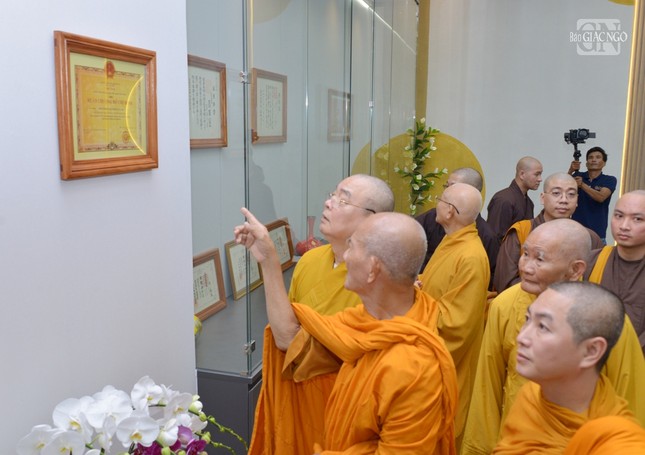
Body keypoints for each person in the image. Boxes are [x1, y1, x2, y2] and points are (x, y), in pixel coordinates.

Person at [235, 209, 459, 454]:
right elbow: (292, 341)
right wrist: (268, 259)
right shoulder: (362, 323)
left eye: (352, 246)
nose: (345, 255)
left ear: (373, 268)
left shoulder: (416, 369)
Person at [461, 219, 645, 455]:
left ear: (576, 270)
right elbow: (488, 386)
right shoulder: (504, 304)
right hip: (518, 440)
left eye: (539, 259)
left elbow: (629, 398)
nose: (526, 267)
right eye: (525, 254)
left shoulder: (603, 317)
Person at [247, 174, 395, 455]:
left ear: (372, 219)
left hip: (345, 410)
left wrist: (268, 259)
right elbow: (288, 331)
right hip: (299, 397)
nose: (329, 203)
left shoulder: (377, 281)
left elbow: (292, 341)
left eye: (343, 200)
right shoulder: (311, 260)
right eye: (332, 195)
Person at [493, 281, 638, 454]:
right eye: (527, 319)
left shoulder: (618, 446)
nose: (522, 338)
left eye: (542, 327)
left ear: (591, 351)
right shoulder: (530, 399)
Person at [418, 182, 490, 450]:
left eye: (441, 199)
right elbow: (437, 283)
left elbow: (456, 324)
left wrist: (413, 303)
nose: (436, 203)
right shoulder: (452, 241)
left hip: (447, 365)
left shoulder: (470, 256)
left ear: (450, 211)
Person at [493, 172, 603, 292]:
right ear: (542, 198)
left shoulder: (590, 238)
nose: (564, 200)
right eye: (556, 193)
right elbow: (504, 282)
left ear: (577, 200)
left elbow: (596, 283)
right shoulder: (521, 231)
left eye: (571, 194)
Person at [415, 167, 499, 288]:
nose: (446, 191)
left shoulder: (485, 238)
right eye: (446, 186)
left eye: (452, 187)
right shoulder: (437, 222)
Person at [586, 189, 645, 355]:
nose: (624, 226)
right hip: (592, 360)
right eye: (619, 216)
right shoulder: (591, 261)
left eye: (637, 219)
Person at [487, 156, 543, 242]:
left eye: (540, 174)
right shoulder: (503, 199)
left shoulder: (529, 202)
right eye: (536, 174)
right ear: (522, 174)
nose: (540, 179)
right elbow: (494, 237)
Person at [568, 146, 617, 242]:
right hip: (575, 232)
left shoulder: (609, 179)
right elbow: (561, 187)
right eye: (590, 157)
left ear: (604, 163)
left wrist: (582, 185)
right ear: (586, 163)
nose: (594, 160)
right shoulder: (578, 176)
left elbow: (601, 197)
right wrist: (570, 171)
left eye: (598, 157)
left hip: (597, 234)